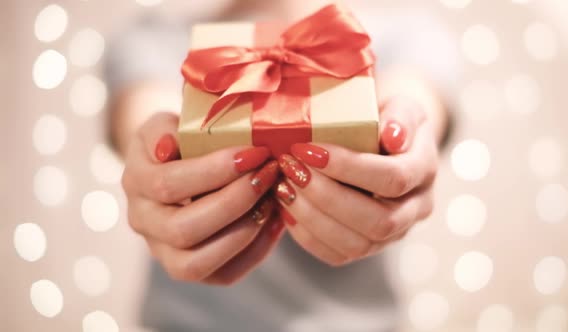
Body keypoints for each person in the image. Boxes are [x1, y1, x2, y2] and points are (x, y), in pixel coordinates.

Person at [106, 0, 457, 331]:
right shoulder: (157, 40)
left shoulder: (399, 35)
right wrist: (157, 163)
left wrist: (406, 143)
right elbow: (147, 115)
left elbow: (413, 99)